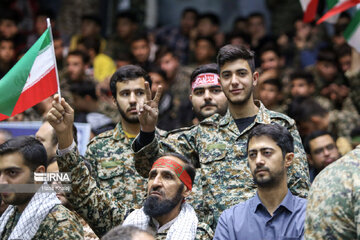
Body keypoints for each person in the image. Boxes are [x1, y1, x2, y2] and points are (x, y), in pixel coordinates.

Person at [134, 44, 310, 229]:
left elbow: (300, 189)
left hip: (270, 230)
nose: (234, 81)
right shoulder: (204, 132)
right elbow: (148, 166)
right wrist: (147, 130)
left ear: (255, 78)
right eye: (227, 75)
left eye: (241, 74)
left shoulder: (281, 125)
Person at [47, 97, 214, 239]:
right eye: (152, 175)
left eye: (167, 176)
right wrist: (64, 135)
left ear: (186, 190)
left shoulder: (199, 234)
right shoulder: (125, 221)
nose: (155, 182)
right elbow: (82, 191)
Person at [214, 124, 307, 239]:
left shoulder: (308, 214)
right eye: (252, 155)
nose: (258, 161)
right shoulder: (231, 220)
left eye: (267, 152)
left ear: (288, 159)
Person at [0, 136, 83, 239]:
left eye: (12, 172)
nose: (2, 182)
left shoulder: (61, 225)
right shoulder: (10, 214)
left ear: (38, 174)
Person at [304, 144, 360, 239]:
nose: (326, 153)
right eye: (318, 151)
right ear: (310, 158)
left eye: (330, 147)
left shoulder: (321, 177)